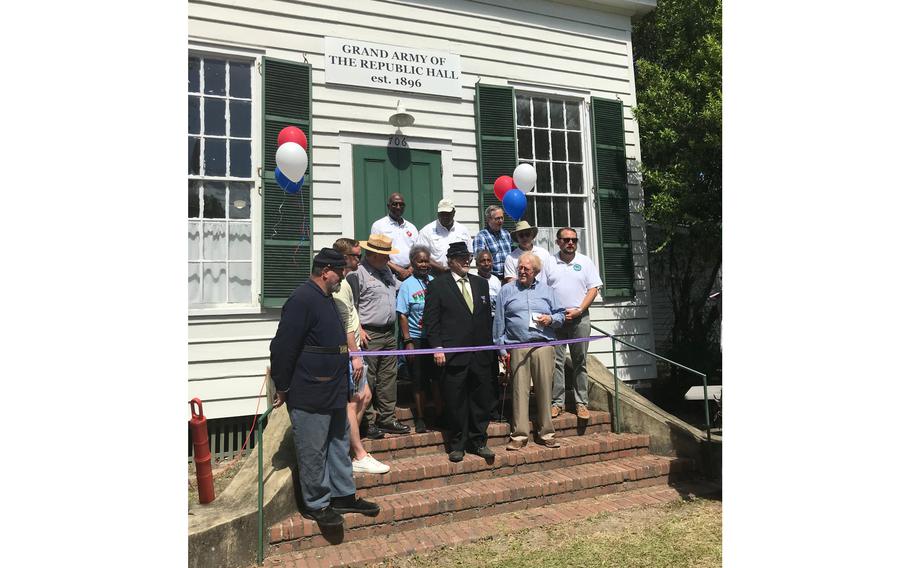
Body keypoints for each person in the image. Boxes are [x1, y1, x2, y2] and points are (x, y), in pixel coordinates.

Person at [269, 248, 380, 528]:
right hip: (309, 390)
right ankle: (317, 503)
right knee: (313, 448)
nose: (344, 275)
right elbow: (282, 348)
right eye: (340, 271)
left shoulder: (328, 298)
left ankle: (343, 495)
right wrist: (282, 386)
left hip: (333, 388)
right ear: (325, 271)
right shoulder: (302, 300)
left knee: (338, 443)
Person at [423, 242, 497, 463]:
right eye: (461, 257)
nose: (467, 261)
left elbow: (485, 319)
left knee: (481, 399)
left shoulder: (481, 284)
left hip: (480, 354)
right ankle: (458, 444)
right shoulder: (438, 285)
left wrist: (490, 349)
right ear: (450, 261)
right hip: (453, 354)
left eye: (468, 256)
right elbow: (431, 320)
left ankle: (478, 441)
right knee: (455, 401)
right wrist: (437, 347)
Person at [493, 252, 566, 451]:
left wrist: (550, 320)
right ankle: (519, 435)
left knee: (544, 389)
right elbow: (499, 321)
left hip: (543, 345)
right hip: (516, 346)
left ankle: (546, 433)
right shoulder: (506, 291)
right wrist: (501, 348)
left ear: (535, 271)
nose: (522, 271)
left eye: (526, 268)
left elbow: (560, 314)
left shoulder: (547, 291)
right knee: (519, 391)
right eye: (520, 268)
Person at [331, 238, 390, 474]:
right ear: (344, 258)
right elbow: (344, 322)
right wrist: (354, 354)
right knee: (353, 400)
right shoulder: (338, 284)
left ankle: (343, 444)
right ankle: (358, 454)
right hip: (349, 352)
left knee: (365, 395)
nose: (359, 258)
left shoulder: (345, 281)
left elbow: (351, 314)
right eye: (356, 255)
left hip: (355, 349)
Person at [347, 234, 410, 438]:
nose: (388, 259)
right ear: (373, 254)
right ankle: (367, 421)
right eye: (385, 255)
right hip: (369, 333)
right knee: (368, 378)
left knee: (388, 377)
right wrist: (360, 329)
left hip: (389, 333)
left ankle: (387, 418)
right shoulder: (358, 274)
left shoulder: (386, 272)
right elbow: (351, 306)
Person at [547, 228, 602, 421]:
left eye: (574, 240)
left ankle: (581, 403)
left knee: (580, 361)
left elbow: (593, 289)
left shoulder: (585, 261)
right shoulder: (549, 262)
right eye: (566, 240)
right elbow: (543, 290)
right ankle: (557, 403)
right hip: (557, 319)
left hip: (580, 317)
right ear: (558, 242)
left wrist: (579, 309)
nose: (570, 243)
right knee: (556, 362)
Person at [396, 245, 443, 433]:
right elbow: (403, 315)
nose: (424, 264)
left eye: (426, 260)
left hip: (434, 339)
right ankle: (421, 418)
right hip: (416, 338)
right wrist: (407, 341)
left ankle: (440, 415)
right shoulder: (407, 285)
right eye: (419, 261)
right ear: (413, 263)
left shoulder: (435, 282)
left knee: (437, 379)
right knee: (418, 380)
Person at [475, 249, 506, 421]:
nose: (486, 264)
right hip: (481, 331)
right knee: (483, 372)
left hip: (496, 328)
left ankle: (494, 409)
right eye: (483, 261)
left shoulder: (496, 281)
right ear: (477, 263)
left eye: (489, 260)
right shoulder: (474, 280)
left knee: (495, 372)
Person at [416, 198, 473, 275]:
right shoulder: (426, 231)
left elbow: (470, 254)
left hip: (458, 275)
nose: (445, 216)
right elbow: (421, 255)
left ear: (454, 212)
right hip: (434, 275)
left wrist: (460, 268)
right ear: (438, 213)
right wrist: (442, 269)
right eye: (442, 213)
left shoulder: (463, 230)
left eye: (448, 213)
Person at [370, 193, 419, 281]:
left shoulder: (411, 227)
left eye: (401, 204)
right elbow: (376, 253)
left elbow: (417, 252)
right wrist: (398, 269)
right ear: (388, 206)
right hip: (387, 272)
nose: (398, 207)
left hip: (410, 273)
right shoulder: (378, 225)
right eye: (394, 204)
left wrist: (409, 270)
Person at [472, 205, 512, 280]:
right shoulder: (481, 237)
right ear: (488, 220)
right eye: (497, 218)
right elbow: (480, 262)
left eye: (502, 218)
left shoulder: (507, 234)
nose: (500, 221)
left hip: (508, 278)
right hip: (491, 279)